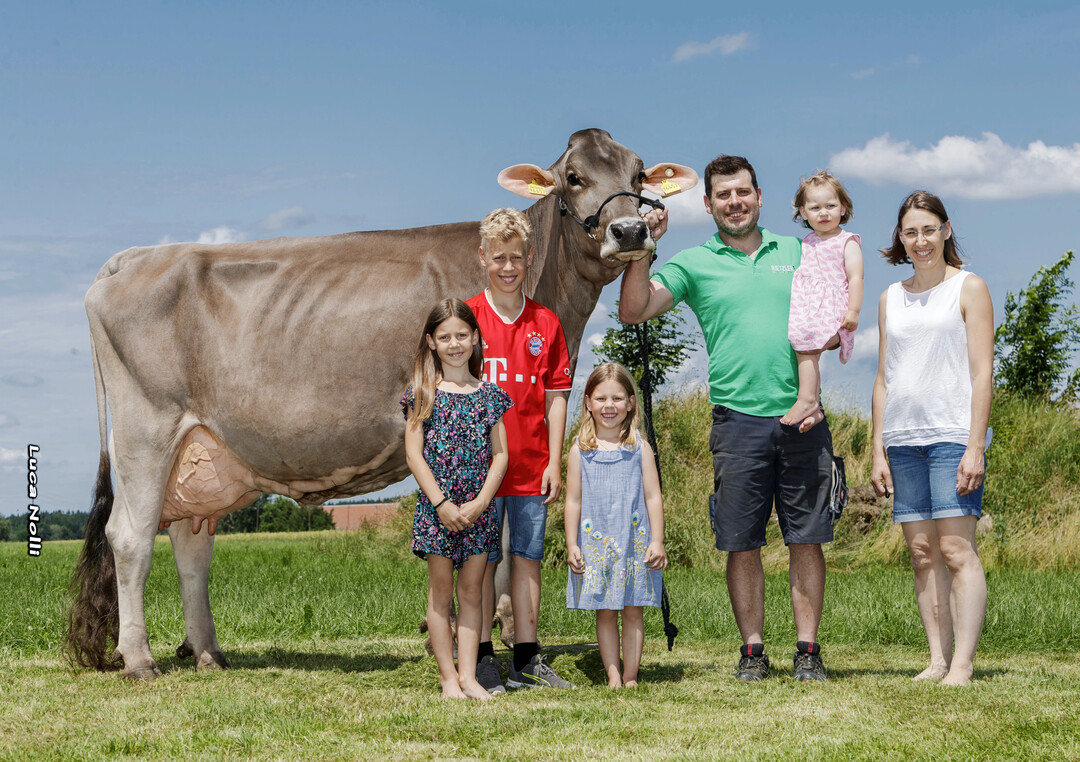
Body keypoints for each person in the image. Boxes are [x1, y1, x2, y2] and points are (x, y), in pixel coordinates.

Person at [619, 155, 837, 682]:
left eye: (743, 192)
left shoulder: (799, 249)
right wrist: (644, 247)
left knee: (805, 538)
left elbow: (838, 301)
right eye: (723, 195)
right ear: (709, 203)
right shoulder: (694, 262)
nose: (734, 202)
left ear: (760, 196)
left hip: (802, 417)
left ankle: (807, 651)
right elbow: (633, 310)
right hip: (736, 422)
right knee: (742, 542)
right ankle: (752, 652)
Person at [871, 191, 993, 687]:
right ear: (900, 238)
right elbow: (883, 378)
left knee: (956, 551)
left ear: (945, 230)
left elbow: (983, 373)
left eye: (928, 229)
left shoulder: (969, 287)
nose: (920, 240)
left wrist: (975, 445)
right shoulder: (889, 298)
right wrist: (877, 448)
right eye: (910, 232)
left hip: (951, 437)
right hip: (902, 440)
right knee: (922, 554)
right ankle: (937, 659)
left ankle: (962, 664)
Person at [466, 208, 575, 692]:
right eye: (498, 257)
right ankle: (483, 656)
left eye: (516, 257)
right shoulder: (467, 321)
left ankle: (527, 657)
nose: (507, 266)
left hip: (532, 466)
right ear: (483, 258)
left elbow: (557, 399)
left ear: (529, 258)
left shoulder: (546, 323)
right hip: (480, 472)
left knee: (528, 559)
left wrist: (554, 460)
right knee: (482, 561)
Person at [402, 298, 513, 700]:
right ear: (431, 342)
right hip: (438, 511)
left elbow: (501, 454)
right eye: (445, 337)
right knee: (440, 593)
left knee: (472, 593)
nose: (454, 344)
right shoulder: (422, 394)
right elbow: (414, 455)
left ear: (475, 339)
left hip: (478, 511)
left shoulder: (490, 396)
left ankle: (469, 676)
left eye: (462, 335)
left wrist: (483, 501)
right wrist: (441, 504)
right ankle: (449, 680)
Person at [565, 363, 668, 689]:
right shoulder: (581, 451)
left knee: (633, 609)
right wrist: (572, 544)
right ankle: (612, 675)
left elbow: (653, 496)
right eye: (601, 398)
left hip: (635, 543)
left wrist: (658, 540)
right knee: (606, 611)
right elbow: (573, 502)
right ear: (588, 403)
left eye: (617, 398)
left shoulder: (640, 447)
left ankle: (631, 676)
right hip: (598, 546)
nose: (609, 406)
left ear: (630, 403)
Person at [781, 171, 864, 430]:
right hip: (810, 306)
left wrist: (853, 310)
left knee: (806, 345)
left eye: (830, 206)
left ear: (843, 207)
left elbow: (856, 277)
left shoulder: (846, 241)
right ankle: (814, 406)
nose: (823, 213)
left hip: (833, 306)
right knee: (805, 345)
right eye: (815, 208)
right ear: (804, 213)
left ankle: (806, 399)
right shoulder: (807, 242)